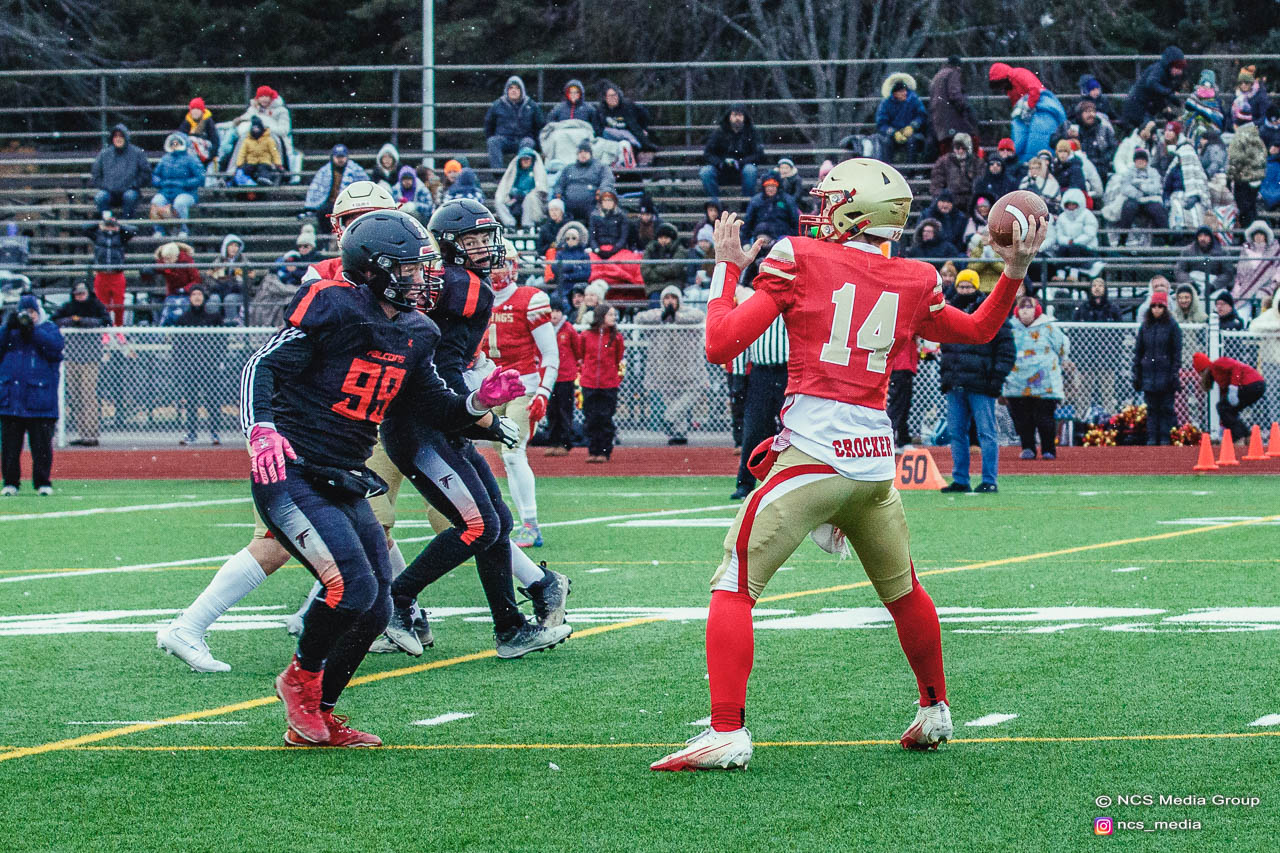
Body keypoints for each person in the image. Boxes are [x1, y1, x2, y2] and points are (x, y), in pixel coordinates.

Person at [650, 160, 1046, 772]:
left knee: (733, 584)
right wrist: (1014, 270)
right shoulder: (914, 277)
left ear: (855, 210)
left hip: (814, 456)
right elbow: (976, 329)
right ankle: (935, 708)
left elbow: (720, 342)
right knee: (904, 591)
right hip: (874, 468)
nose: (820, 209)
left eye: (831, 200)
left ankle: (726, 730)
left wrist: (727, 267)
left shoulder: (799, 256)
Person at [238, 209, 523, 747]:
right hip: (294, 470)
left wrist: (478, 403)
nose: (424, 279)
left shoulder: (418, 330)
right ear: (373, 269)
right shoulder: (333, 305)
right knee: (349, 589)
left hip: (346, 474)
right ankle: (298, 680)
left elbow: (435, 405)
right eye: (411, 269)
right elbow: (262, 366)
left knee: (376, 606)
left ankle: (317, 715)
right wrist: (262, 428)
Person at [157, 183, 402, 674]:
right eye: (358, 220)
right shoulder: (325, 281)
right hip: (308, 431)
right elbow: (282, 358)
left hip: (354, 424)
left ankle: (389, 614)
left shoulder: (398, 279)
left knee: (369, 530)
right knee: (283, 540)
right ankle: (192, 626)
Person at [381, 200, 573, 661]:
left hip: (431, 419)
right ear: (451, 245)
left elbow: (446, 357)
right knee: (479, 525)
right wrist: (479, 413)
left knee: (497, 523)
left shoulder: (449, 282)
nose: (485, 247)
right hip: (423, 422)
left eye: (487, 237)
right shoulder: (465, 285)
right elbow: (442, 369)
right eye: (473, 240)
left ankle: (510, 627)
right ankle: (396, 601)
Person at [484, 239, 560, 547]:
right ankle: (507, 521)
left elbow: (550, 354)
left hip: (521, 387)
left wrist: (542, 392)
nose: (496, 270)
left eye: (501, 263)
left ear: (514, 266)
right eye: (492, 263)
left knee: (513, 455)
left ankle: (530, 523)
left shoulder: (529, 299)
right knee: (496, 457)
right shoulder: (475, 298)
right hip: (487, 390)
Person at [938, 272, 1015, 493]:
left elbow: (1006, 350)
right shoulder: (947, 311)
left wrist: (996, 378)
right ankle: (960, 479)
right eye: (961, 286)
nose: (964, 290)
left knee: (986, 433)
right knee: (956, 433)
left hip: (981, 383)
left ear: (976, 287)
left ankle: (989, 479)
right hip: (956, 382)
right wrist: (947, 377)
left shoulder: (989, 311)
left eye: (968, 286)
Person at [0, 294, 64, 497]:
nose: (29, 316)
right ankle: (10, 483)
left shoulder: (49, 329)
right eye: (25, 312)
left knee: (41, 446)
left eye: (32, 312)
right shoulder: (11, 333)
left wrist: (33, 330)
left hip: (40, 400)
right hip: (12, 400)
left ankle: (43, 482)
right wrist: (7, 327)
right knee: (10, 447)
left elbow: (55, 348)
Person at [635, 285, 707, 444]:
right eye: (667, 298)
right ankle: (679, 435)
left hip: (688, 369)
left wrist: (676, 316)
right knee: (672, 402)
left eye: (673, 298)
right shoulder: (657, 314)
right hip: (664, 370)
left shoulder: (688, 313)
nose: (670, 301)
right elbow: (639, 318)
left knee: (687, 399)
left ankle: (669, 418)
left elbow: (700, 316)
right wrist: (662, 316)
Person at [731, 308, 788, 499]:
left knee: (791, 427)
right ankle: (745, 483)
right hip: (760, 373)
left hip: (786, 371)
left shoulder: (790, 306)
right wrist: (738, 376)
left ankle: (789, 480)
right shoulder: (754, 308)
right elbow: (742, 340)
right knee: (753, 429)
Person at [1003, 297, 1068, 459]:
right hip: (1017, 384)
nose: (1025, 310)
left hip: (1045, 384)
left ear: (1036, 310)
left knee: (1045, 418)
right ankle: (1028, 447)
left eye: (1029, 307)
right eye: (1022, 307)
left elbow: (1062, 347)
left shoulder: (1049, 328)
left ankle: (1048, 449)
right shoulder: (1010, 328)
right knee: (1022, 419)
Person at [52, 283, 110, 446]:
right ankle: (82, 432)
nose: (80, 296)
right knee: (75, 395)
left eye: (82, 293)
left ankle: (91, 433)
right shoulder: (68, 307)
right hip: (72, 356)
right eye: (77, 294)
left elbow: (106, 321)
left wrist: (83, 321)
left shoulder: (96, 305)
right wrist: (72, 320)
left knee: (88, 394)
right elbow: (55, 320)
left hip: (90, 357)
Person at [168, 284, 224, 446]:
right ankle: (191, 433)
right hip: (190, 368)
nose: (197, 297)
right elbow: (177, 345)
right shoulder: (183, 319)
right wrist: (182, 364)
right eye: (194, 294)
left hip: (210, 367)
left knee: (212, 400)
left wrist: (216, 360)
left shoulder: (214, 318)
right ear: (190, 298)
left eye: (199, 294)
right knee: (191, 401)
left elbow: (222, 342)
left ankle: (214, 433)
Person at [989, 63, 1066, 162]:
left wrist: (1029, 105)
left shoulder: (1019, 74)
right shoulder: (1010, 87)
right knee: (1023, 139)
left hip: (1040, 105)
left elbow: (1034, 89)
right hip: (1028, 111)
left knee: (1038, 136)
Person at [1133, 292, 1182, 445]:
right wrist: (1137, 373)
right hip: (1149, 373)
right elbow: (1139, 351)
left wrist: (1174, 373)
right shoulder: (1145, 326)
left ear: (1165, 308)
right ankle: (1152, 438)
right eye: (1154, 306)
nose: (1156, 309)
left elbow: (1176, 352)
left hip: (1166, 374)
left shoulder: (1172, 326)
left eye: (1160, 306)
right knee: (1152, 408)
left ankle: (1165, 437)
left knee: (1166, 407)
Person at [579, 301, 623, 462]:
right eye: (610, 314)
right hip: (589, 383)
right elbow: (581, 354)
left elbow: (618, 358)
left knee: (605, 418)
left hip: (608, 384)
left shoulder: (616, 337)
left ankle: (604, 451)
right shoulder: (586, 335)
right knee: (591, 418)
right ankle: (593, 450)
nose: (613, 317)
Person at [1194, 352, 1266, 441]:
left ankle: (1240, 437)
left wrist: (1233, 388)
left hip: (1252, 383)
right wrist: (1223, 423)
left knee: (1223, 407)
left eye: (1201, 373)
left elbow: (1237, 367)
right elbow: (1224, 398)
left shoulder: (1218, 364)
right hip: (1256, 385)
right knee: (1228, 409)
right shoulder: (1216, 375)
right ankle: (1247, 437)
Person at [700, 105, 766, 200]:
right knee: (705, 172)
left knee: (750, 170)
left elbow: (758, 154)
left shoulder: (752, 133)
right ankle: (715, 204)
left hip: (743, 171)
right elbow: (708, 153)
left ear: (744, 117)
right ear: (729, 117)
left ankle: (747, 205)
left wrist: (740, 163)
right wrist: (719, 163)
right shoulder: (719, 133)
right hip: (721, 170)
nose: (737, 118)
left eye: (740, 115)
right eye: (735, 115)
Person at [304, 144, 369, 236]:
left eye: (342, 157)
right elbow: (316, 188)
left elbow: (365, 186)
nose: (340, 159)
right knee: (322, 212)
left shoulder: (356, 170)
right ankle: (326, 237)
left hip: (350, 203)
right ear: (333, 157)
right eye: (338, 157)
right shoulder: (324, 171)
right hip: (331, 203)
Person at [545, 299, 582, 456]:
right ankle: (553, 442)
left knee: (564, 410)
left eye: (557, 311)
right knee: (551, 411)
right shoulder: (544, 329)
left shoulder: (568, 329)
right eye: (552, 311)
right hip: (549, 376)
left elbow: (577, 349)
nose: (554, 314)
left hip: (565, 376)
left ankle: (565, 443)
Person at [484, 76, 545, 170]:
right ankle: (498, 174)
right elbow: (489, 124)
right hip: (504, 139)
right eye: (511, 88)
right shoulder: (497, 105)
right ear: (507, 90)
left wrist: (539, 147)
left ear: (522, 90)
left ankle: (522, 173)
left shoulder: (531, 105)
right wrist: (491, 137)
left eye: (517, 88)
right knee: (492, 141)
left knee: (528, 142)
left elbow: (539, 125)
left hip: (524, 139)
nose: (514, 90)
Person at [91, 124, 151, 219]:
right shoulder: (104, 154)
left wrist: (133, 185)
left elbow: (146, 173)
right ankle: (108, 222)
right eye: (115, 136)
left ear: (126, 137)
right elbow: (96, 174)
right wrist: (105, 186)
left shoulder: (138, 153)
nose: (118, 139)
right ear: (112, 138)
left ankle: (125, 224)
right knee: (100, 197)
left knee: (129, 197)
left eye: (121, 136)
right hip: (109, 192)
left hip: (130, 191)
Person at [150, 133, 204, 237]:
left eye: (177, 143)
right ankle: (159, 230)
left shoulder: (191, 159)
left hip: (187, 193)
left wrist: (184, 183)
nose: (174, 145)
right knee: (156, 201)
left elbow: (200, 178)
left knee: (180, 203)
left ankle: (183, 230)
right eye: (172, 143)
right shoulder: (164, 159)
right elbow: (155, 175)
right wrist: (160, 183)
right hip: (166, 192)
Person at [85, 211, 135, 325]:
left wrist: (118, 226)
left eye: (111, 225)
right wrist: (100, 224)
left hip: (116, 275)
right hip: (102, 274)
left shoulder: (121, 236)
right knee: (102, 304)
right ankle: (105, 327)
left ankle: (118, 327)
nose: (110, 228)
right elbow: (85, 228)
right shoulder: (98, 235)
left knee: (119, 303)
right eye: (108, 225)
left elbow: (133, 231)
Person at [1121, 46, 1186, 130]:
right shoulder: (1158, 70)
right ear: (1169, 64)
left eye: (1181, 68)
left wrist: (1166, 113)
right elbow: (1151, 83)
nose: (1180, 72)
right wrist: (1169, 93)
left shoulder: (1165, 75)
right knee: (1150, 131)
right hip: (1138, 110)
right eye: (1177, 67)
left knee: (1150, 130)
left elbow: (1157, 96)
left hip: (1143, 110)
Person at [554, 139, 615, 223]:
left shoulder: (600, 167)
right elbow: (559, 184)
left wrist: (602, 191)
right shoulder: (568, 168)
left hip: (592, 204)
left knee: (598, 216)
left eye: (585, 152)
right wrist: (558, 193)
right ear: (577, 155)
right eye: (580, 152)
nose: (583, 154)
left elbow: (607, 180)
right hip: (569, 205)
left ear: (590, 154)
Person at [1113, 148, 1168, 239]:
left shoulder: (1153, 172)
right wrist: (1138, 193)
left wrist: (1142, 187)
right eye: (1138, 160)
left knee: (1158, 210)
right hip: (1133, 199)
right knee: (1128, 208)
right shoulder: (1129, 172)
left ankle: (1166, 239)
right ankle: (1122, 239)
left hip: (1150, 199)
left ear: (1146, 161)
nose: (1140, 162)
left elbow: (1157, 187)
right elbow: (1125, 187)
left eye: (1142, 160)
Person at [928, 56, 979, 154]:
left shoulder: (937, 76)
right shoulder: (952, 73)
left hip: (939, 120)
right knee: (971, 140)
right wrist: (965, 108)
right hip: (952, 118)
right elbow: (955, 95)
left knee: (947, 150)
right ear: (958, 66)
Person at [1228, 110, 1268, 226]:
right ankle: (1254, 229)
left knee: (1244, 209)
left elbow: (1235, 160)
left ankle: (1246, 231)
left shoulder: (1239, 137)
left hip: (1243, 179)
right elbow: (1263, 155)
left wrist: (1229, 178)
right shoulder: (1256, 135)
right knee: (1252, 207)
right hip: (1256, 179)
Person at [876, 74, 927, 163]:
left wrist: (912, 127)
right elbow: (881, 123)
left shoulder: (914, 99)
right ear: (894, 93)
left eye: (905, 90)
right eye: (901, 91)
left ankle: (911, 169)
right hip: (892, 135)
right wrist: (893, 133)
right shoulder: (886, 103)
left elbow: (921, 116)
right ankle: (887, 167)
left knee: (912, 141)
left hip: (913, 134)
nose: (905, 93)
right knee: (886, 142)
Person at [494, 145, 547, 229]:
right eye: (523, 159)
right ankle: (510, 224)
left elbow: (540, 189)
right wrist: (513, 192)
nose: (525, 161)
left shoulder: (537, 172)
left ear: (532, 160)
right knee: (499, 201)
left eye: (528, 159)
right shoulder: (515, 172)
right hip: (514, 200)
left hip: (530, 200)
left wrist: (524, 193)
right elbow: (506, 187)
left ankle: (528, 225)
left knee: (529, 198)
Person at [598, 81, 656, 157]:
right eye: (610, 96)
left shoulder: (627, 106)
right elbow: (598, 129)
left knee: (625, 145)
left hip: (629, 139)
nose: (614, 98)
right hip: (611, 141)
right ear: (605, 98)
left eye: (615, 95)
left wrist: (643, 128)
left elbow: (643, 116)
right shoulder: (601, 110)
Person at [741, 172, 799, 241]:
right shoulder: (756, 200)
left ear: (778, 186)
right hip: (760, 236)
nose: (770, 189)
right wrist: (745, 242)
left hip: (781, 237)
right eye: (768, 186)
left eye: (773, 186)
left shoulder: (787, 200)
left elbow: (795, 222)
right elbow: (748, 223)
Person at [1175, 226, 1234, 294]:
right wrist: (1191, 283)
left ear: (1211, 237)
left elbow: (1228, 273)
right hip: (1193, 284)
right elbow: (1179, 270)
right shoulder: (1187, 251)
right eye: (1200, 236)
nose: (1202, 238)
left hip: (1214, 284)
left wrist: (1214, 286)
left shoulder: (1222, 252)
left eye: (1206, 235)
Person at [930, 133, 980, 211]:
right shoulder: (943, 162)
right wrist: (944, 199)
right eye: (957, 147)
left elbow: (980, 183)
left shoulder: (977, 162)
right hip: (950, 200)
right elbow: (936, 184)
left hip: (971, 201)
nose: (960, 151)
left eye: (964, 148)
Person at [1235, 220, 1280, 302]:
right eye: (1256, 234)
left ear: (1265, 236)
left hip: (1267, 286)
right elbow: (1241, 271)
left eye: (1261, 234)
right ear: (1252, 236)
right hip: (1247, 286)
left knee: (1261, 296)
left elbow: (1278, 270)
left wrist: (1274, 282)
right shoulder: (1246, 250)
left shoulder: (1274, 251)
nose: (1258, 237)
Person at [641, 223, 686, 305]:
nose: (663, 240)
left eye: (666, 238)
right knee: (655, 303)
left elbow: (674, 270)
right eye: (661, 238)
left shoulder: (679, 250)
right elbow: (645, 272)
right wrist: (665, 275)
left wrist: (655, 268)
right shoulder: (650, 249)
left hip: (673, 285)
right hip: (654, 287)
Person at [1075, 99, 1118, 184]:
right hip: (1081, 167)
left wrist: (1103, 160)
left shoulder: (1104, 129)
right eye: (1087, 112)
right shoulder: (1074, 129)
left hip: (1102, 167)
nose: (1091, 114)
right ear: (1080, 115)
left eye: (1093, 111)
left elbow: (1113, 148)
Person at [234, 116, 283, 186]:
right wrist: (239, 164)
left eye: (257, 128)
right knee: (245, 169)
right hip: (251, 162)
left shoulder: (268, 140)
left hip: (264, 161)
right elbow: (242, 153)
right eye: (254, 128)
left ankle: (265, 179)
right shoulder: (247, 140)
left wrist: (278, 164)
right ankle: (238, 182)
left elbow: (274, 153)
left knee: (263, 169)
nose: (256, 130)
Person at [589, 189, 630, 258]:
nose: (607, 203)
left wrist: (614, 250)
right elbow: (592, 238)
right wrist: (597, 250)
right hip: (599, 249)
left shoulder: (621, 216)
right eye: (605, 200)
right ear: (601, 202)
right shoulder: (594, 216)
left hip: (616, 249)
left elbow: (623, 238)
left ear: (614, 202)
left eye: (610, 200)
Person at [179, 97, 219, 165]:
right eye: (193, 109)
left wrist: (210, 157)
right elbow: (180, 136)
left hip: (206, 156)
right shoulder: (187, 121)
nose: (195, 111)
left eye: (198, 109)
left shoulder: (208, 122)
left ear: (202, 111)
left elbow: (215, 141)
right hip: (190, 155)